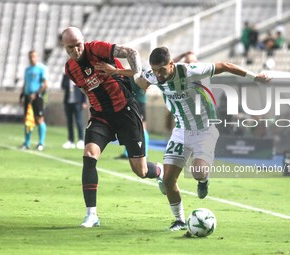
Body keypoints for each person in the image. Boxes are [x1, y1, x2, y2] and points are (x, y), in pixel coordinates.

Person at [98, 46, 271, 231]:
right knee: (168, 181)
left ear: (171, 64)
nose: (158, 75)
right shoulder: (154, 75)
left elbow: (225, 65)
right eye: (155, 70)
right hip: (181, 131)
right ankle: (179, 220)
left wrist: (255, 78)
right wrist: (117, 71)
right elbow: (140, 77)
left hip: (205, 130)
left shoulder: (190, 71)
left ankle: (203, 181)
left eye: (161, 70)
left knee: (198, 172)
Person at [61, 27, 164, 228]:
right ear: (64, 48)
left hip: (125, 110)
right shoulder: (69, 69)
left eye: (78, 45)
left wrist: (135, 76)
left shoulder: (97, 49)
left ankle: (159, 171)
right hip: (101, 117)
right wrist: (92, 105)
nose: (76, 50)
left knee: (140, 171)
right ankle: (91, 215)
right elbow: (84, 88)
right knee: (89, 156)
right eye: (70, 47)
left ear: (84, 41)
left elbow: (131, 53)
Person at [19, 50, 48, 151]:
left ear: (37, 57)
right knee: (28, 120)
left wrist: (35, 94)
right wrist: (22, 95)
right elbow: (26, 83)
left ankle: (41, 143)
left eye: (34, 56)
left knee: (39, 119)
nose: (32, 58)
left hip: (37, 97)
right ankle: (26, 143)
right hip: (27, 97)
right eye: (30, 57)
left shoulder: (41, 68)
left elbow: (45, 84)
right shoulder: (27, 69)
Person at [114, 76, 149, 159]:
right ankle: (128, 152)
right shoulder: (130, 72)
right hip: (132, 101)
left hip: (139, 103)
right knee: (130, 127)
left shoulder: (140, 73)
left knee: (141, 128)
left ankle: (144, 152)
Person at [61, 74, 87, 149]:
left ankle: (81, 140)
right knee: (69, 122)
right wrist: (69, 83)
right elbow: (63, 86)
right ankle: (70, 141)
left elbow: (83, 89)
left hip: (77, 102)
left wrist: (84, 101)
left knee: (79, 121)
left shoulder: (79, 76)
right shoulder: (66, 76)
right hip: (68, 102)